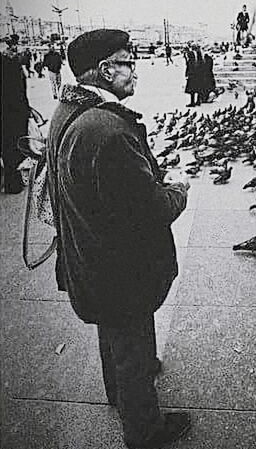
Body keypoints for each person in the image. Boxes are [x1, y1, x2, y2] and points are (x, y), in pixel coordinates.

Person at [46, 29, 191, 449]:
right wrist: (179, 189)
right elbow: (150, 211)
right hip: (120, 267)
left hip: (88, 257)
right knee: (132, 337)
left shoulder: (68, 112)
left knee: (113, 330)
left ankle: (120, 390)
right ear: (107, 70)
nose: (134, 72)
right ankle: (145, 429)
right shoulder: (107, 131)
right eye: (129, 62)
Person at [0, 34, 31, 193]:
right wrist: (26, 111)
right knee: (10, 147)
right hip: (10, 112)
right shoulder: (11, 64)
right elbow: (19, 92)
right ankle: (13, 183)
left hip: (9, 111)